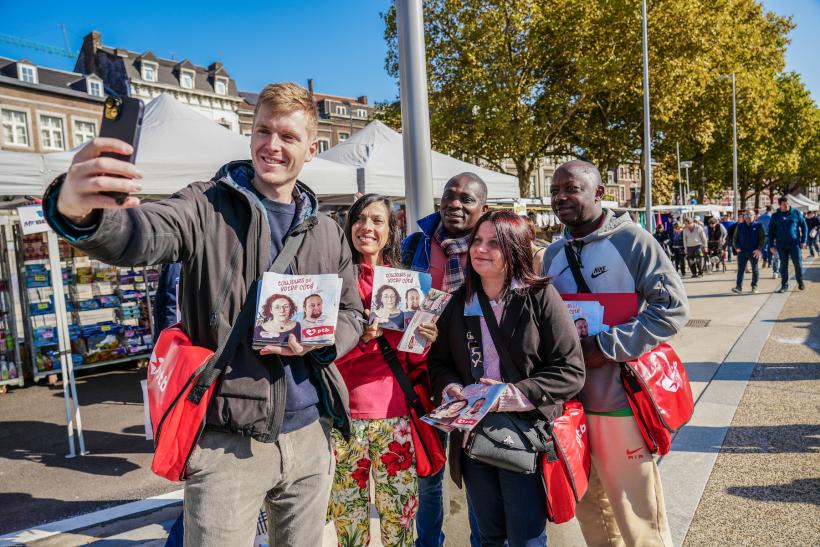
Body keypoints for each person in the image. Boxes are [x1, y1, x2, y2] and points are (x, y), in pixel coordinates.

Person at [43, 82, 363, 546]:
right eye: (263, 131)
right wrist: (80, 212)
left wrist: (323, 340)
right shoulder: (205, 205)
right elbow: (142, 234)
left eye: (288, 137)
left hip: (311, 433)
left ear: (311, 149)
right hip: (226, 441)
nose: (272, 145)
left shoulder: (327, 231)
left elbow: (351, 311)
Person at [542, 160, 689, 547]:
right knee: (592, 513)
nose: (560, 197)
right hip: (569, 405)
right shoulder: (552, 254)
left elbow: (672, 310)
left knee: (638, 518)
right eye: (555, 190)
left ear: (599, 193)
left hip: (619, 401)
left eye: (571, 189)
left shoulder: (634, 241)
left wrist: (605, 347)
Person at [428, 210, 585, 547]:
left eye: (493, 243)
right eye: (477, 241)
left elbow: (571, 370)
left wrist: (509, 394)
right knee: (488, 537)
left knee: (526, 538)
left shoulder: (540, 297)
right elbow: (439, 363)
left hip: (526, 435)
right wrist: (451, 388)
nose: (480, 249)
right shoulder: (458, 302)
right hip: (474, 438)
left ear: (514, 249)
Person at [329, 193, 440, 547]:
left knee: (399, 521)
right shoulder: (334, 283)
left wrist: (424, 340)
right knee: (349, 524)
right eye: (359, 219)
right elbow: (322, 357)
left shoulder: (406, 283)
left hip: (396, 417)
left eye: (377, 220)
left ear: (390, 230)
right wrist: (362, 340)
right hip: (344, 418)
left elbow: (413, 363)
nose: (367, 227)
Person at [402, 172, 489, 547]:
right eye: (449, 196)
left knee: (479, 470)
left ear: (483, 208)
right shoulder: (414, 245)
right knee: (428, 472)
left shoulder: (492, 247)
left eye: (466, 199)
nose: (454, 203)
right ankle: (428, 543)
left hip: (479, 376)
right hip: (425, 374)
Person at [769, 196, 809, 292]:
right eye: (784, 204)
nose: (787, 205)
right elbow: (771, 232)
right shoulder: (775, 216)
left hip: (794, 244)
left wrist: (803, 240)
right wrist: (771, 245)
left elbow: (804, 226)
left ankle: (800, 281)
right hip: (781, 244)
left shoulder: (796, 213)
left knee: (798, 264)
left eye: (787, 203)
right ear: (780, 205)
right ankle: (784, 285)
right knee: (783, 265)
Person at [731, 210, 765, 294]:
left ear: (754, 216)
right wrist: (736, 247)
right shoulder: (740, 226)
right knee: (741, 270)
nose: (747, 217)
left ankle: (754, 286)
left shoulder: (758, 225)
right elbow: (735, 238)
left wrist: (759, 249)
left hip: (754, 252)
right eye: (746, 215)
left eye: (750, 215)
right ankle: (738, 287)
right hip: (742, 252)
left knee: (755, 270)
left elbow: (762, 239)